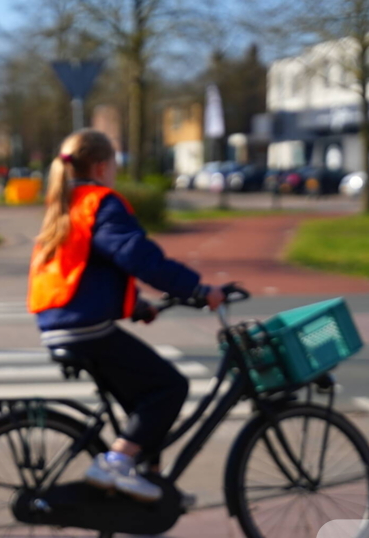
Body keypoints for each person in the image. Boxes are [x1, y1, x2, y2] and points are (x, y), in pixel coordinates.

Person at [28, 129, 223, 503]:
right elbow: (138, 257)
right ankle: (116, 463)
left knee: (144, 402)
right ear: (102, 166)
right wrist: (198, 289)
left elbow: (86, 269)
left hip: (59, 321)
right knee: (169, 387)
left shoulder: (67, 203)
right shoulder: (100, 202)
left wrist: (135, 305)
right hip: (84, 327)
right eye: (114, 165)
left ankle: (153, 487)